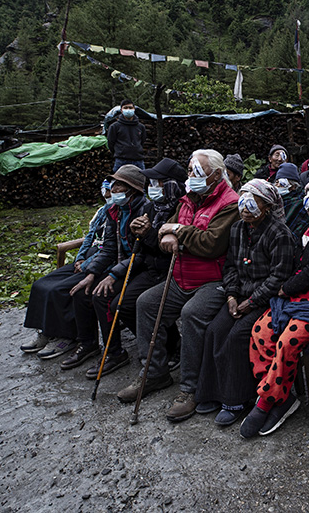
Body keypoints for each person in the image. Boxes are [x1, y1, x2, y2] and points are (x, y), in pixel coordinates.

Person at [116, 150, 240, 419]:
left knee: (192, 314)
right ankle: (154, 373)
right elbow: (166, 229)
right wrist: (165, 234)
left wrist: (179, 235)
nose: (191, 176)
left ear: (217, 175)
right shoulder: (187, 199)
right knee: (146, 303)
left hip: (212, 280)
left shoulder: (230, 203)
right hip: (181, 277)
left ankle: (191, 388)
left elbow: (212, 243)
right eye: (190, 170)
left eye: (197, 171)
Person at [241, 172, 309, 436]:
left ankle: (266, 401)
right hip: (291, 298)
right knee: (260, 332)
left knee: (288, 342)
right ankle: (282, 397)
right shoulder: (305, 226)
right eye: (308, 199)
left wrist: (284, 287)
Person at [188, 180, 296, 430]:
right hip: (240, 295)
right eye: (242, 200)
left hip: (267, 297)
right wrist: (232, 297)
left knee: (238, 336)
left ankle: (235, 400)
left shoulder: (280, 234)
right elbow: (231, 268)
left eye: (252, 201)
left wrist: (250, 302)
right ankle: (212, 392)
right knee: (215, 329)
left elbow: (279, 277)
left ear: (266, 206)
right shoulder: (237, 229)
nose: (244, 207)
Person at [87, 159, 186, 377]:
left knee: (135, 303)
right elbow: (131, 248)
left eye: (158, 182)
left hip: (168, 270)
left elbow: (166, 250)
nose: (153, 187)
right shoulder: (152, 208)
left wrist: (148, 234)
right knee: (112, 301)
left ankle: (170, 347)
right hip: (149, 266)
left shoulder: (180, 210)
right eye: (151, 182)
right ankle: (129, 349)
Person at [63, 165, 148, 372]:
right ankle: (88, 343)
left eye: (119, 185)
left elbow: (142, 254)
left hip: (141, 266)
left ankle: (115, 352)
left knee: (102, 295)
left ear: (132, 189)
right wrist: (91, 273)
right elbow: (109, 247)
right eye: (114, 184)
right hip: (120, 263)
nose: (114, 189)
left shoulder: (144, 209)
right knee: (83, 290)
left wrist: (111, 275)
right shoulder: (114, 211)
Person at [21, 181, 111, 359]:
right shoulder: (102, 212)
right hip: (86, 259)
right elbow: (89, 237)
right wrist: (80, 258)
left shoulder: (121, 214)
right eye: (105, 191)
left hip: (102, 262)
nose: (108, 195)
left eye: (111, 191)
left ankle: (68, 337)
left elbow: (111, 248)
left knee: (60, 290)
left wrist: (86, 265)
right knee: (41, 285)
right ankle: (47, 331)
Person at [106, 99, 146, 170]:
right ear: (121, 110)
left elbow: (142, 141)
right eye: (125, 108)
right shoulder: (114, 127)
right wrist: (120, 152)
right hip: (121, 160)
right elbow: (110, 143)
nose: (128, 110)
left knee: (141, 180)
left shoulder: (141, 127)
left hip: (138, 160)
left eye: (130, 108)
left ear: (134, 109)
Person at [274, 163, 309, 240]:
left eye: (281, 183)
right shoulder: (274, 201)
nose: (276, 185)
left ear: (293, 186)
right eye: (276, 182)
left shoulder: (300, 204)